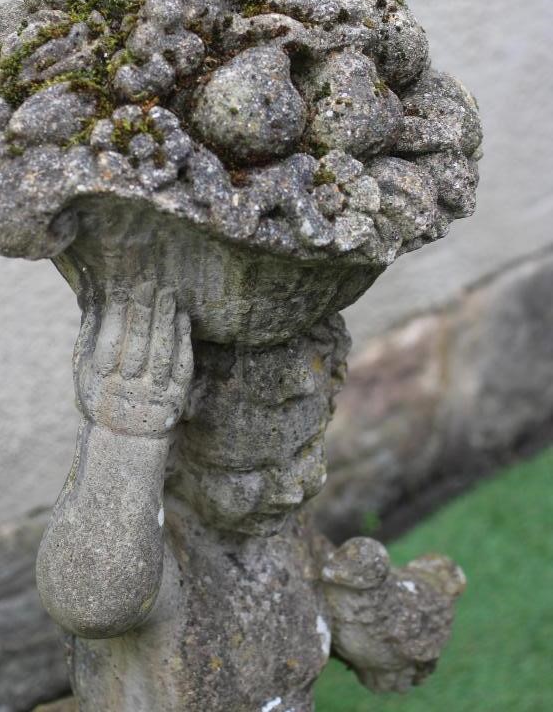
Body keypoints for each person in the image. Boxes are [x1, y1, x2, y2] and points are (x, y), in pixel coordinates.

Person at [37, 284, 464, 711]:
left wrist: (374, 613)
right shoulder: (161, 563)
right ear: (173, 454)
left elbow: (391, 653)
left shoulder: (283, 534)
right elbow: (92, 603)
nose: (295, 487)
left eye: (307, 450)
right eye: (252, 472)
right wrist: (124, 434)